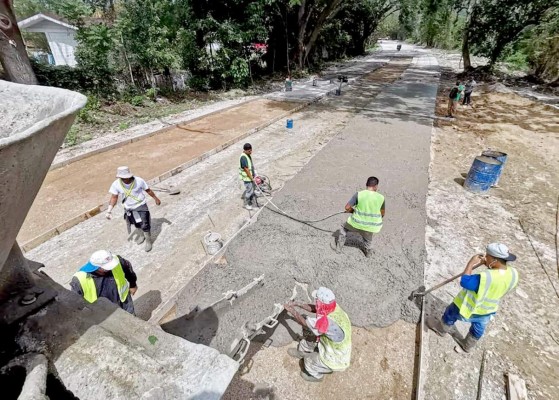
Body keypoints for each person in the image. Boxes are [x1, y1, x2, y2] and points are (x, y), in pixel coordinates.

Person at [427, 243, 519, 353]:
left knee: (450, 313)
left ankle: (441, 329)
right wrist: (489, 265)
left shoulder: (486, 277)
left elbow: (465, 282)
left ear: (495, 260)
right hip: (488, 309)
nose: (485, 257)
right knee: (478, 327)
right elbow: (500, 282)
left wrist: (471, 263)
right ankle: (467, 345)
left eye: (487, 256)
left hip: (471, 307)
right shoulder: (513, 273)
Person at [283, 287, 352, 383]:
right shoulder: (333, 307)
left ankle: (316, 376)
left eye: (317, 300)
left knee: (308, 360)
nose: (315, 301)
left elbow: (304, 323)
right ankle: (302, 352)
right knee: (310, 338)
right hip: (330, 342)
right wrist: (297, 303)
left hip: (336, 357)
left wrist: (292, 310)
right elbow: (316, 308)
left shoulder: (325, 322)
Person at [106, 166, 161, 252]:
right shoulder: (116, 184)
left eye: (126, 177)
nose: (125, 179)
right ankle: (141, 235)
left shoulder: (139, 181)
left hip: (141, 205)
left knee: (145, 224)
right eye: (122, 178)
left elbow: (148, 190)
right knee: (135, 223)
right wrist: (109, 210)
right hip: (129, 207)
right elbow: (114, 197)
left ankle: (148, 241)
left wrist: (155, 198)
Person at [71, 250, 138, 315]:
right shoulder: (79, 280)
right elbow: (76, 303)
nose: (112, 268)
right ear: (96, 267)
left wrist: (133, 284)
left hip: (123, 302)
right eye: (107, 268)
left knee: (132, 320)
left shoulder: (116, 260)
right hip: (102, 313)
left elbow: (127, 269)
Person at [332, 176, 385, 258]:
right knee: (368, 240)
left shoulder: (359, 194)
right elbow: (382, 214)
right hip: (370, 226)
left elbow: (347, 207)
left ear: (366, 184)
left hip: (355, 223)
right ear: (376, 186)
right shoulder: (381, 198)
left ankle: (338, 249)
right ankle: (368, 254)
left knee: (343, 228)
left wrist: (353, 211)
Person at [239, 143, 258, 210]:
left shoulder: (248, 155)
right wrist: (251, 178)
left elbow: (250, 166)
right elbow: (246, 169)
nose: (251, 152)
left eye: (251, 150)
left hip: (250, 176)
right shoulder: (243, 157)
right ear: (245, 150)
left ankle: (252, 202)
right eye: (249, 151)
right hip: (247, 178)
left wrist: (254, 172)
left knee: (252, 189)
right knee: (249, 191)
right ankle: (245, 204)